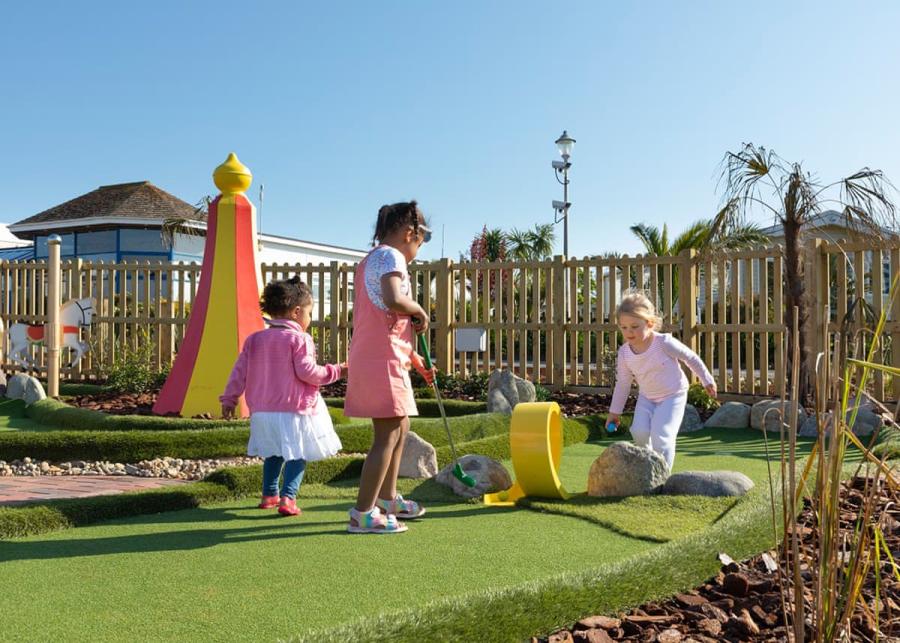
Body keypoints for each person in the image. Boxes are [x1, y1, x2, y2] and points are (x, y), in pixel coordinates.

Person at [344, 200, 435, 534]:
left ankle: (388, 498)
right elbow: (394, 299)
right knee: (387, 433)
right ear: (411, 233)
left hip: (383, 355)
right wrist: (419, 309)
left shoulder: (373, 258)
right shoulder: (390, 256)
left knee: (401, 426)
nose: (418, 249)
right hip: (382, 359)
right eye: (421, 241)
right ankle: (363, 513)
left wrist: (415, 359)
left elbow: (387, 320)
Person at [221, 276, 346, 517]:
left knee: (273, 452)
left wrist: (229, 398)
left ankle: (269, 494)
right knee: (297, 454)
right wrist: (337, 371)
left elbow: (239, 372)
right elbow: (308, 372)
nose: (310, 318)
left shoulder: (254, 339)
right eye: (309, 312)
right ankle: (288, 498)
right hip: (294, 410)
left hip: (262, 412)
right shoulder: (300, 338)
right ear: (297, 312)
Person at [606, 290, 716, 470]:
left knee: (662, 435)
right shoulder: (625, 353)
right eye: (623, 327)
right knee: (639, 432)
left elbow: (690, 357)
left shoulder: (663, 343)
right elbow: (623, 383)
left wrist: (706, 380)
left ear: (649, 323)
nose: (629, 332)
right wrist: (614, 412)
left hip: (673, 395)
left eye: (634, 326)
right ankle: (648, 467)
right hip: (647, 397)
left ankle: (661, 475)